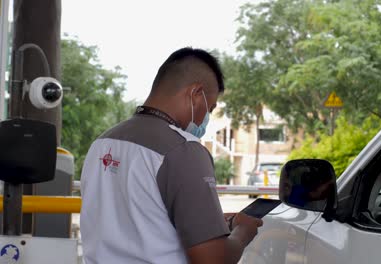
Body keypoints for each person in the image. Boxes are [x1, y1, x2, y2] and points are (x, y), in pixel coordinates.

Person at [80, 47, 263, 264]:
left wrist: (213, 225)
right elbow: (212, 259)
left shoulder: (103, 143)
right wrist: (243, 232)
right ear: (196, 94)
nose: (207, 118)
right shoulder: (184, 150)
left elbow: (135, 219)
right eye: (210, 108)